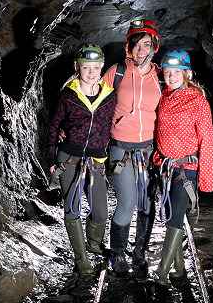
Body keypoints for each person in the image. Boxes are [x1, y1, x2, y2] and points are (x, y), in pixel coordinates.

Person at [47, 43, 117, 277]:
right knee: (72, 207)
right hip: (69, 157)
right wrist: (50, 158)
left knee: (100, 211)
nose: (91, 72)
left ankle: (93, 244)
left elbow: (117, 123)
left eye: (95, 68)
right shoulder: (68, 95)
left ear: (101, 68)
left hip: (96, 159)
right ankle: (82, 259)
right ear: (77, 67)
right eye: (86, 67)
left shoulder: (110, 96)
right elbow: (54, 125)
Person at [102, 19, 162, 280]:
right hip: (120, 148)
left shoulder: (161, 77)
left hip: (149, 150)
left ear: (154, 47)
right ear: (129, 47)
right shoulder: (115, 73)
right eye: (136, 45)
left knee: (147, 203)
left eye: (146, 45)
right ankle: (117, 253)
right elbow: (95, 103)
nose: (141, 50)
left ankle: (139, 251)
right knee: (126, 203)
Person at [152, 49, 213, 288]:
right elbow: (160, 130)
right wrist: (158, 156)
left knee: (176, 218)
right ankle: (178, 271)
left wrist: (206, 178)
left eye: (176, 72)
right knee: (172, 217)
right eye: (167, 73)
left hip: (186, 169)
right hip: (166, 168)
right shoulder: (164, 96)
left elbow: (207, 140)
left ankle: (160, 273)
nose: (171, 77)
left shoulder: (197, 100)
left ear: (186, 73)